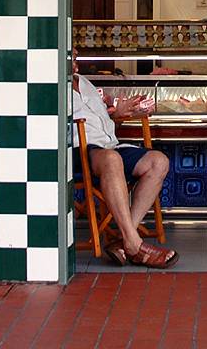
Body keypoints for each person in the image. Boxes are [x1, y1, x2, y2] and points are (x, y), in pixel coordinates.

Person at [72, 50, 179, 268]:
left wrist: (117, 114)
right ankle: (134, 243)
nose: (74, 61)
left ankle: (126, 240)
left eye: (74, 57)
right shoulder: (47, 86)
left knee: (159, 161)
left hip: (109, 145)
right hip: (78, 151)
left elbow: (103, 122)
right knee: (112, 159)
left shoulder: (84, 83)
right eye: (69, 57)